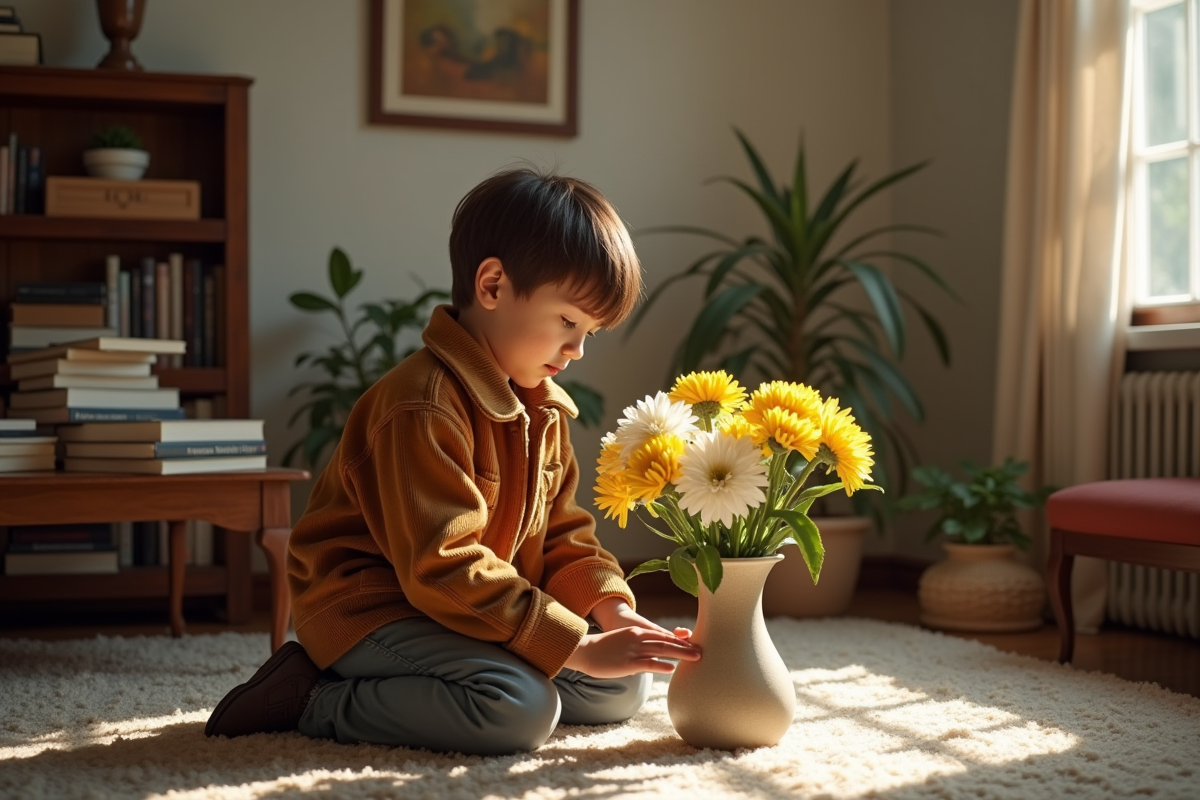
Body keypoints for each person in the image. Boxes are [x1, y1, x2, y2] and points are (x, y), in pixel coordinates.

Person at [204, 168, 701, 755]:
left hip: (464, 609)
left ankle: (476, 667)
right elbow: (442, 566)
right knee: (521, 709)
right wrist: (577, 648)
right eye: (567, 321)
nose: (577, 349)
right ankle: (314, 696)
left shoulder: (542, 409)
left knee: (622, 689)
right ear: (491, 285)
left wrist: (611, 613)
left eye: (590, 331)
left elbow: (566, 532)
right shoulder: (422, 404)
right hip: (374, 609)